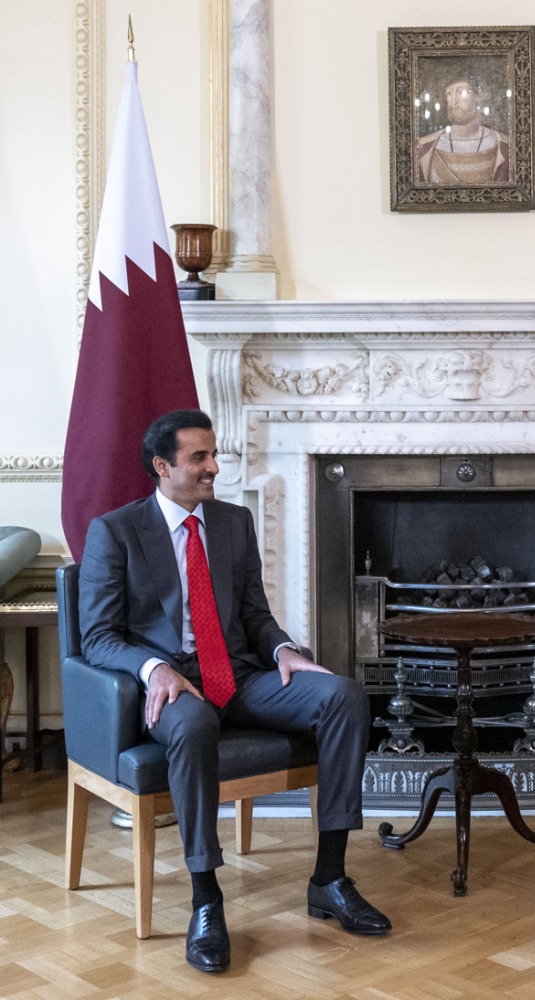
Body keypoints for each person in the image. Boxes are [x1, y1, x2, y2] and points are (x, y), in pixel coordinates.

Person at [78, 409, 391, 974]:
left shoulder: (233, 522)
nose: (214, 468)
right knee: (195, 723)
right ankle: (207, 899)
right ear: (162, 466)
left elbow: (254, 613)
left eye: (214, 454)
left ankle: (330, 877)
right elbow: (98, 637)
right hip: (172, 686)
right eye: (199, 457)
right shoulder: (116, 531)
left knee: (343, 695)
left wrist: (283, 650)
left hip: (238, 674)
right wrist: (153, 667)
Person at [415, 77, 510, 185]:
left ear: (478, 97)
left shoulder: (504, 146)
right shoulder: (425, 147)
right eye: (449, 94)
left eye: (461, 92)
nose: (454, 101)